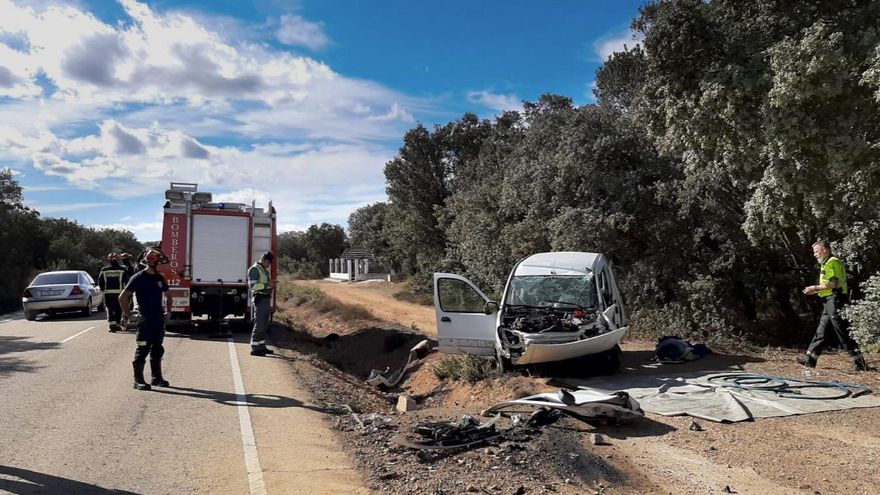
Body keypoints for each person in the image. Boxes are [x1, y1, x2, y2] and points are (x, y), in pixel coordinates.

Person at [798, 240, 868, 371]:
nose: (815, 255)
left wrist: (814, 288)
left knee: (842, 331)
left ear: (824, 249)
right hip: (829, 300)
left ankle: (859, 363)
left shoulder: (832, 262)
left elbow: (832, 284)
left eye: (816, 251)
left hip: (835, 299)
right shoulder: (826, 263)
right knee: (821, 330)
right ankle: (810, 360)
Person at [120, 248, 171, 390]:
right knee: (142, 349)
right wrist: (130, 315)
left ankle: (156, 378)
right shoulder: (138, 277)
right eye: (160, 263)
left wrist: (169, 311)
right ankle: (138, 380)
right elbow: (123, 297)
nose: (163, 266)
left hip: (158, 319)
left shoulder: (159, 278)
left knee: (157, 348)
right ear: (152, 262)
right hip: (145, 320)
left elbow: (169, 295)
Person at [248, 251, 275, 357]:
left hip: (265, 299)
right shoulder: (255, 269)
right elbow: (253, 286)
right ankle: (255, 348)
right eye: (268, 262)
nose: (269, 265)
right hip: (260, 299)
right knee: (259, 324)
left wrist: (269, 285)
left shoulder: (263, 269)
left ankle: (262, 346)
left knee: (264, 324)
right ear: (263, 259)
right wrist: (267, 285)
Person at [98, 253, 128, 332]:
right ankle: (117, 325)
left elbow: (100, 281)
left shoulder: (104, 270)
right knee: (118, 309)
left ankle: (112, 325)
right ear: (118, 260)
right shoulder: (122, 269)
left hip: (108, 293)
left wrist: (103, 290)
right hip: (119, 293)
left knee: (110, 309)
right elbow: (127, 281)